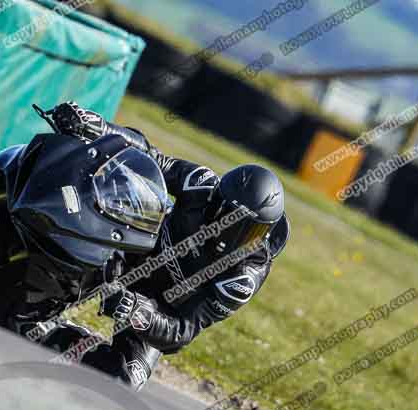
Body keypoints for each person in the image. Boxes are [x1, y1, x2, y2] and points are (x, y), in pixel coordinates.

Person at [40, 101, 291, 390]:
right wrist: (99, 128)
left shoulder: (244, 277)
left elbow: (184, 330)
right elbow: (150, 157)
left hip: (157, 307)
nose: (248, 239)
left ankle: (58, 337)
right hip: (124, 254)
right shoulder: (201, 185)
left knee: (125, 380)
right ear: (219, 207)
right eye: (242, 227)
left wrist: (142, 315)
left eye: (258, 232)